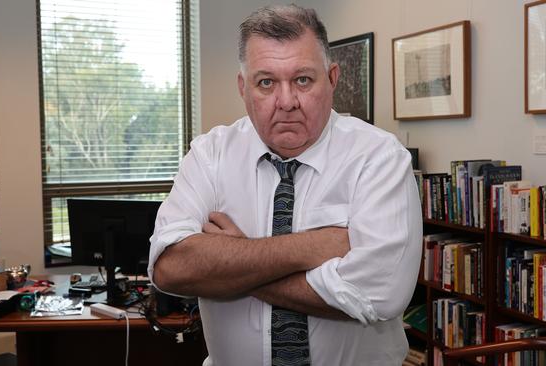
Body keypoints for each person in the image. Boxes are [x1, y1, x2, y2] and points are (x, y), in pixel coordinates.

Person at [148, 4, 422, 366]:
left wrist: (233, 262)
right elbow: (169, 267)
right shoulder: (210, 155)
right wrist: (313, 247)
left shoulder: (380, 158)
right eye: (266, 83)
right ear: (244, 88)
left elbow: (378, 296)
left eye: (303, 80)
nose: (287, 102)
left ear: (333, 78)